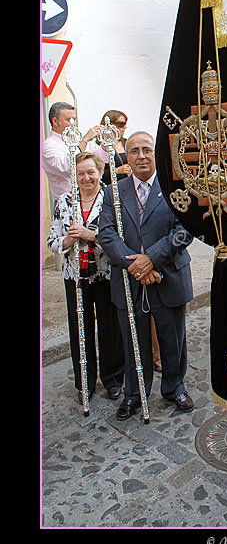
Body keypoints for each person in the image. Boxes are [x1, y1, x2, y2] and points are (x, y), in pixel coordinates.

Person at [98, 131, 195, 420]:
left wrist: (150, 260)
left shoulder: (174, 186)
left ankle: (174, 387)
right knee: (132, 340)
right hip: (129, 281)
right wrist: (135, 266)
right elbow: (106, 233)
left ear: (156, 154)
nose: (141, 156)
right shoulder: (113, 192)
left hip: (168, 276)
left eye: (147, 150)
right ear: (126, 157)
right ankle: (134, 393)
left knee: (172, 338)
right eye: (134, 151)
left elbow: (184, 229)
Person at [47, 152, 124, 403]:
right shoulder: (64, 201)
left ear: (100, 172)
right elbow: (53, 241)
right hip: (75, 276)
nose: (86, 178)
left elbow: (119, 237)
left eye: (90, 172)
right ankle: (85, 383)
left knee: (109, 326)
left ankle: (113, 379)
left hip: (104, 272)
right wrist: (69, 240)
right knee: (80, 329)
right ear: (74, 176)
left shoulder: (111, 198)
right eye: (80, 173)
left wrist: (91, 235)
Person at [42, 102, 101, 202]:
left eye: (74, 120)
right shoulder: (49, 145)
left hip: (90, 198)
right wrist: (85, 140)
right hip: (67, 202)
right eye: (69, 120)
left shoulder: (76, 138)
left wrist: (106, 144)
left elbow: (101, 158)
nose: (73, 124)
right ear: (55, 121)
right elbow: (68, 167)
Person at [98, 110, 132, 184]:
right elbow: (96, 172)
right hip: (109, 186)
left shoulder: (127, 143)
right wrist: (116, 171)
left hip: (127, 185)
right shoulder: (99, 146)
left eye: (125, 123)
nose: (125, 127)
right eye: (121, 124)